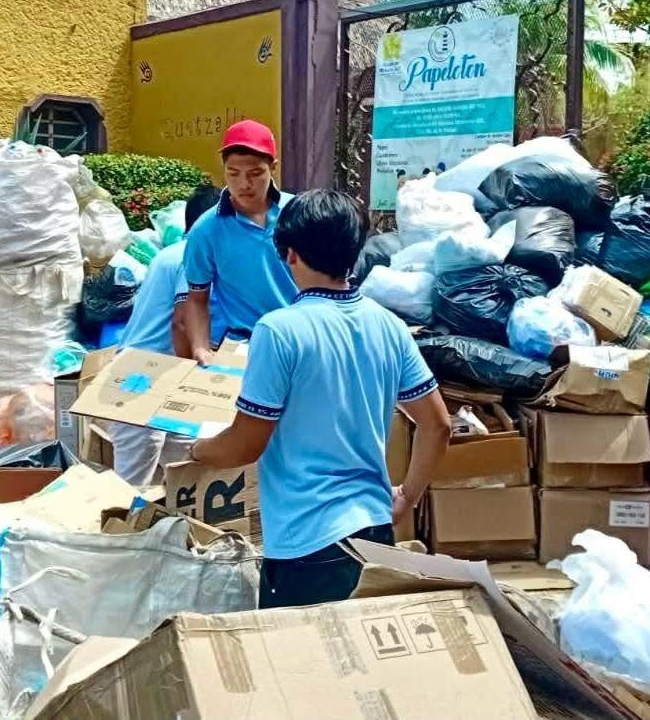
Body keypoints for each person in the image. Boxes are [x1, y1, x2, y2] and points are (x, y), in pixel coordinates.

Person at [188, 189, 452, 609]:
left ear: (290, 254)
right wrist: (407, 496)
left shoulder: (278, 331)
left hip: (306, 543)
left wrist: (200, 451)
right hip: (375, 532)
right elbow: (438, 425)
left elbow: (246, 442)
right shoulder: (389, 326)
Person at [110, 184, 223, 485]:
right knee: (132, 486)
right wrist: (191, 383)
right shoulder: (192, 256)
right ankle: (116, 531)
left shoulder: (171, 253)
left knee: (181, 470)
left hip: (148, 370)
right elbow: (182, 322)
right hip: (147, 375)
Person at [182, 120, 298, 364]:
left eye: (255, 174)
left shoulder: (297, 213)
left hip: (302, 338)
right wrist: (201, 349)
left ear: (273, 167)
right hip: (245, 345)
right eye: (233, 174)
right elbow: (196, 298)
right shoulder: (206, 229)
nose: (244, 184)